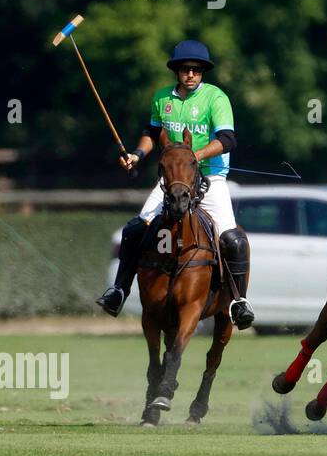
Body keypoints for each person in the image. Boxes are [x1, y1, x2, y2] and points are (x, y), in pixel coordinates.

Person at [96, 40, 255, 328]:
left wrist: (194, 156)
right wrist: (137, 154)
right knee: (135, 229)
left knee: (232, 239)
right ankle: (118, 290)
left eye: (196, 69)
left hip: (210, 179)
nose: (191, 74)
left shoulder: (216, 98)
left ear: (203, 72)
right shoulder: (161, 98)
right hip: (172, 181)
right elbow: (152, 131)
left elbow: (228, 139)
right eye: (185, 69)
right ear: (177, 71)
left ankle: (238, 301)